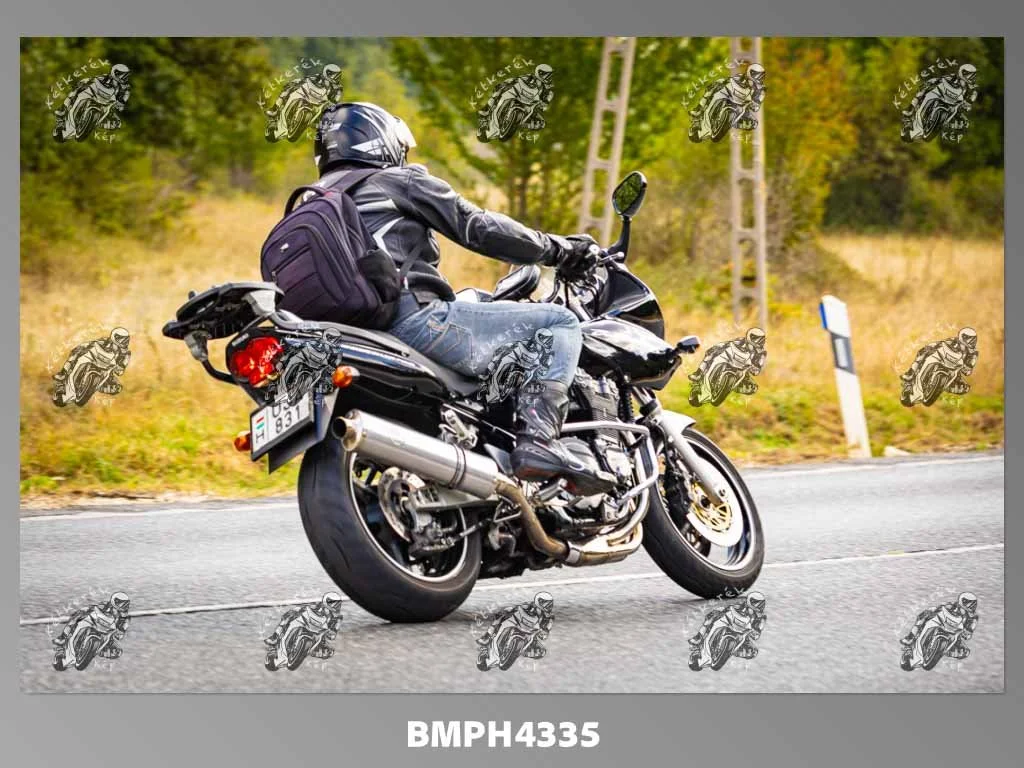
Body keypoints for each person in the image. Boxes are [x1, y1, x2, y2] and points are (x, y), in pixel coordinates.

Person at [309, 101, 602, 488]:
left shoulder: (311, 203)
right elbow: (478, 227)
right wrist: (559, 250)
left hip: (346, 336)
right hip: (412, 322)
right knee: (559, 323)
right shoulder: (397, 181)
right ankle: (538, 440)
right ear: (379, 140)